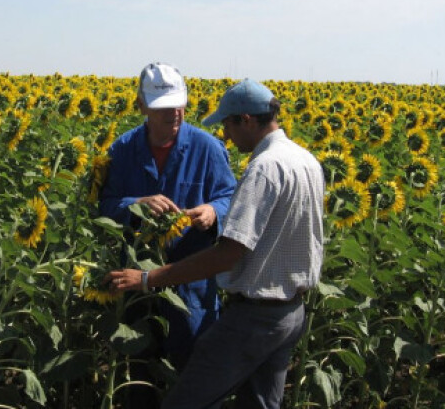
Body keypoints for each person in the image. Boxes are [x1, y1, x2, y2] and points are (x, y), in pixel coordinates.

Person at [106, 78, 325, 409]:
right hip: (290, 310)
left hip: (253, 318)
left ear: (246, 120)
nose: (225, 135)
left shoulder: (263, 169)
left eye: (228, 125)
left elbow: (229, 254)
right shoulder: (305, 160)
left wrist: (149, 278)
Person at [99, 62, 237, 376]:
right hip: (135, 279)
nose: (174, 113)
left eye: (179, 104)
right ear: (142, 106)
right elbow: (104, 207)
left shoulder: (207, 148)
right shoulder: (121, 151)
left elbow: (231, 197)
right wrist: (136, 204)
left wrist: (214, 211)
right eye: (163, 107)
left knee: (192, 372)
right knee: (138, 372)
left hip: (190, 279)